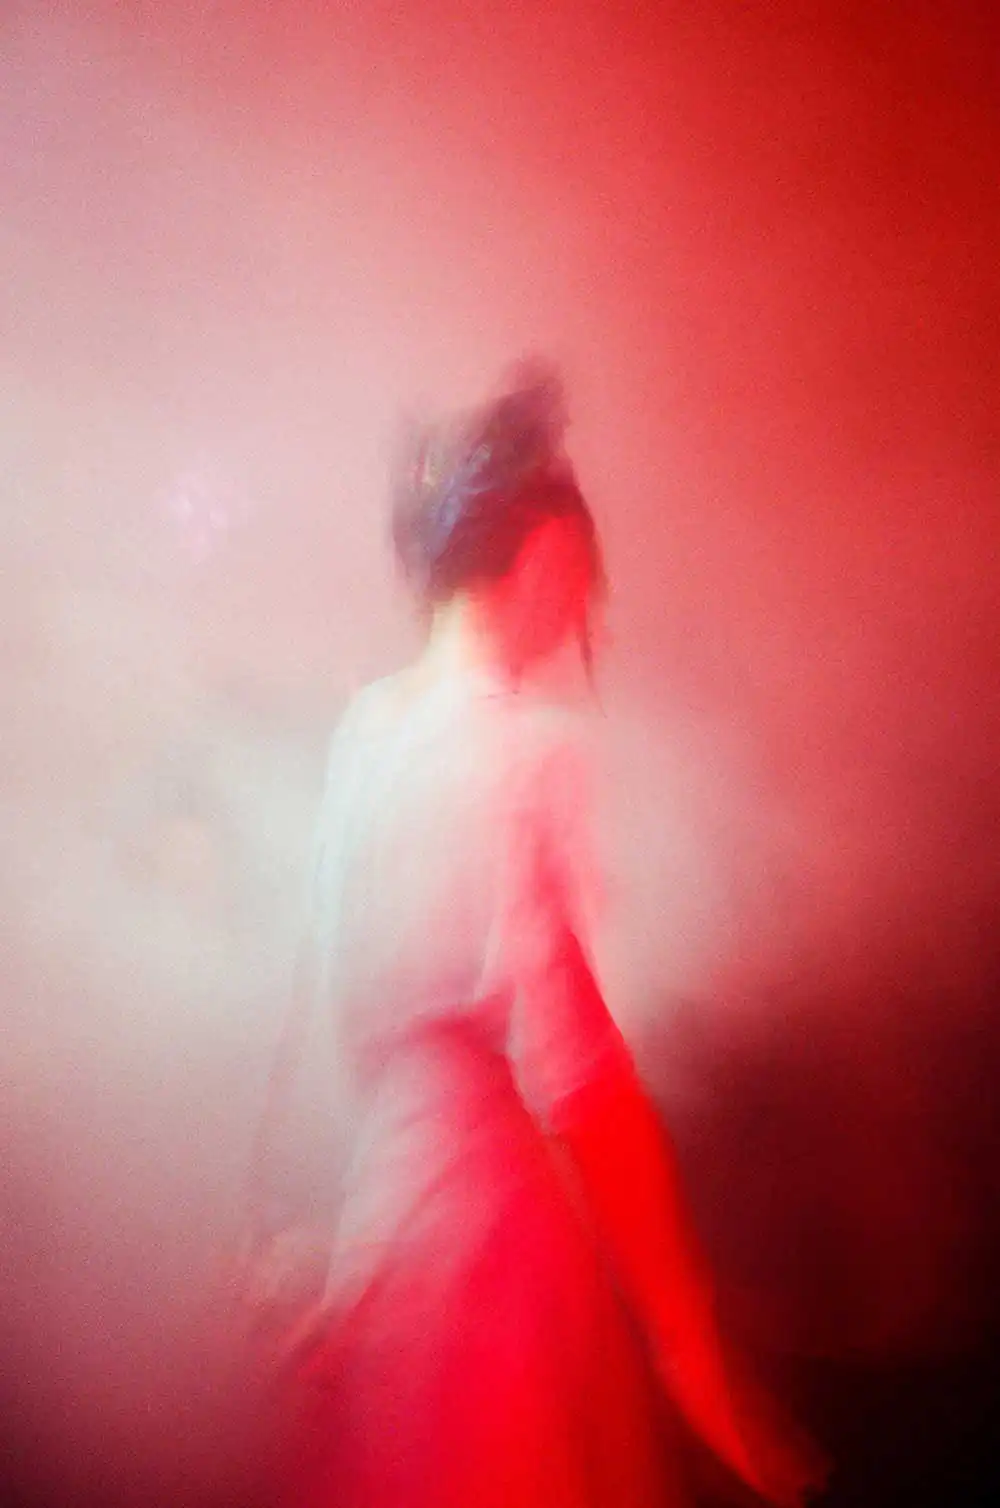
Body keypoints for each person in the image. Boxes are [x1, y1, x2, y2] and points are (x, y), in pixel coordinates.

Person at [249, 365, 824, 1508]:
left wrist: (298, 1237)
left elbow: (315, 1013)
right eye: (584, 579)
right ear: (548, 555)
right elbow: (579, 1071)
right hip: (488, 1251)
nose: (587, 616)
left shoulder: (367, 735)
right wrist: (685, 1339)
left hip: (381, 1230)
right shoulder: (525, 751)